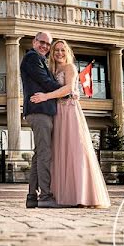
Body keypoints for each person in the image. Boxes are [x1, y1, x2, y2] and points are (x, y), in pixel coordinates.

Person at [30, 40, 110, 208]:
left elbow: (68, 89)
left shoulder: (70, 68)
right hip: (56, 113)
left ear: (67, 52)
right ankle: (61, 196)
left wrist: (45, 97)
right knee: (58, 152)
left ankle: (80, 195)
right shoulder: (51, 70)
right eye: (56, 50)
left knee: (74, 151)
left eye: (62, 50)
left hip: (69, 111)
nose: (59, 53)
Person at [20, 32, 64, 209]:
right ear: (34, 42)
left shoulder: (39, 59)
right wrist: (66, 89)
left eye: (48, 44)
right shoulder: (32, 57)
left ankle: (32, 196)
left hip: (40, 111)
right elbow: (45, 82)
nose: (45, 46)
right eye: (42, 42)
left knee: (39, 154)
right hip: (39, 111)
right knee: (45, 154)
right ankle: (45, 196)